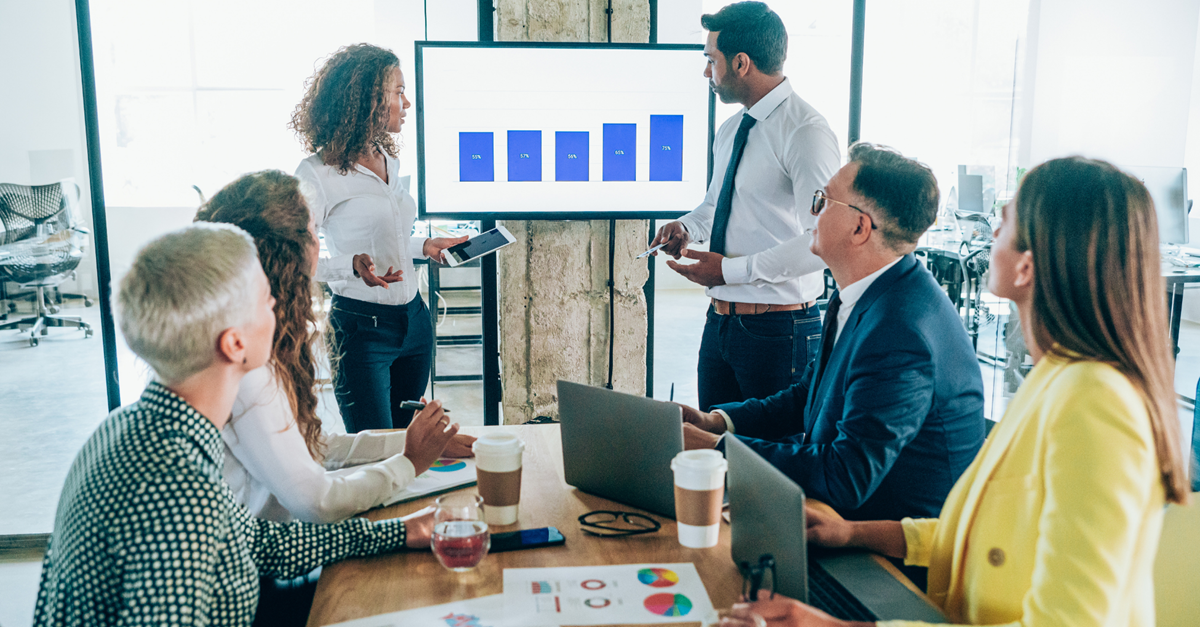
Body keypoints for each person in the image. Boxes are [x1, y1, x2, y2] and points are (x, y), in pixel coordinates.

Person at [720, 157, 1191, 627]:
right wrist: (852, 533)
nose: (989, 237)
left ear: (1027, 265)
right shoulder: (1057, 373)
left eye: (1002, 225)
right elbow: (985, 527)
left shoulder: (1097, 403)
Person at [33, 224, 434, 627]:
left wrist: (399, 533)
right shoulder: (179, 488)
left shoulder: (136, 429)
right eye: (265, 298)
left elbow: (260, 543)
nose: (278, 302)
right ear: (234, 344)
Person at [682, 144, 985, 529]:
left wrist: (717, 450)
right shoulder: (862, 292)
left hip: (879, 557)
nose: (812, 212)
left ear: (860, 228)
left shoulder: (900, 332)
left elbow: (844, 477)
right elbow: (805, 397)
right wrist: (718, 423)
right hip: (831, 515)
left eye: (822, 201)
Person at [195, 170, 475, 526]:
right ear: (289, 252)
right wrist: (409, 461)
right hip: (278, 559)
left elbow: (313, 447)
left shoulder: (245, 334)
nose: (319, 240)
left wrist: (409, 443)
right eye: (314, 230)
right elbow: (318, 502)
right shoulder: (248, 364)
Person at [649, 1, 840, 412]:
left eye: (710, 60)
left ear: (740, 63)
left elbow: (824, 240)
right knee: (714, 452)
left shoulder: (806, 133)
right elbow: (716, 205)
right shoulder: (733, 128)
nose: (706, 73)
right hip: (720, 324)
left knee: (770, 467)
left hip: (780, 330)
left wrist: (728, 270)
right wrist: (685, 227)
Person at [291, 43, 466, 432]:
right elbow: (298, 262)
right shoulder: (316, 174)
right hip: (362, 331)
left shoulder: (389, 160)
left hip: (415, 321)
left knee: (408, 441)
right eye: (398, 91)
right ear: (369, 99)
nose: (407, 103)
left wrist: (423, 246)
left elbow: (389, 237)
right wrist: (351, 266)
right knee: (374, 448)